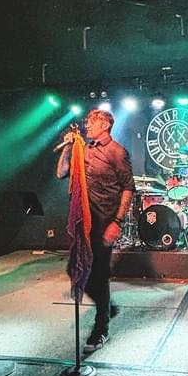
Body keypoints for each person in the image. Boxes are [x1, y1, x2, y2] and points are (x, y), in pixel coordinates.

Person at [56, 109, 134, 352]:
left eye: (91, 122)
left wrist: (117, 222)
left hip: (105, 221)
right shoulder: (84, 148)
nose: (87, 126)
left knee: (99, 275)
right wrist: (69, 146)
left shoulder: (117, 152)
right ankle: (106, 305)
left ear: (106, 125)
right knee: (73, 269)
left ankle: (101, 329)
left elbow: (129, 188)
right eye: (88, 122)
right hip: (84, 221)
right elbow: (61, 173)